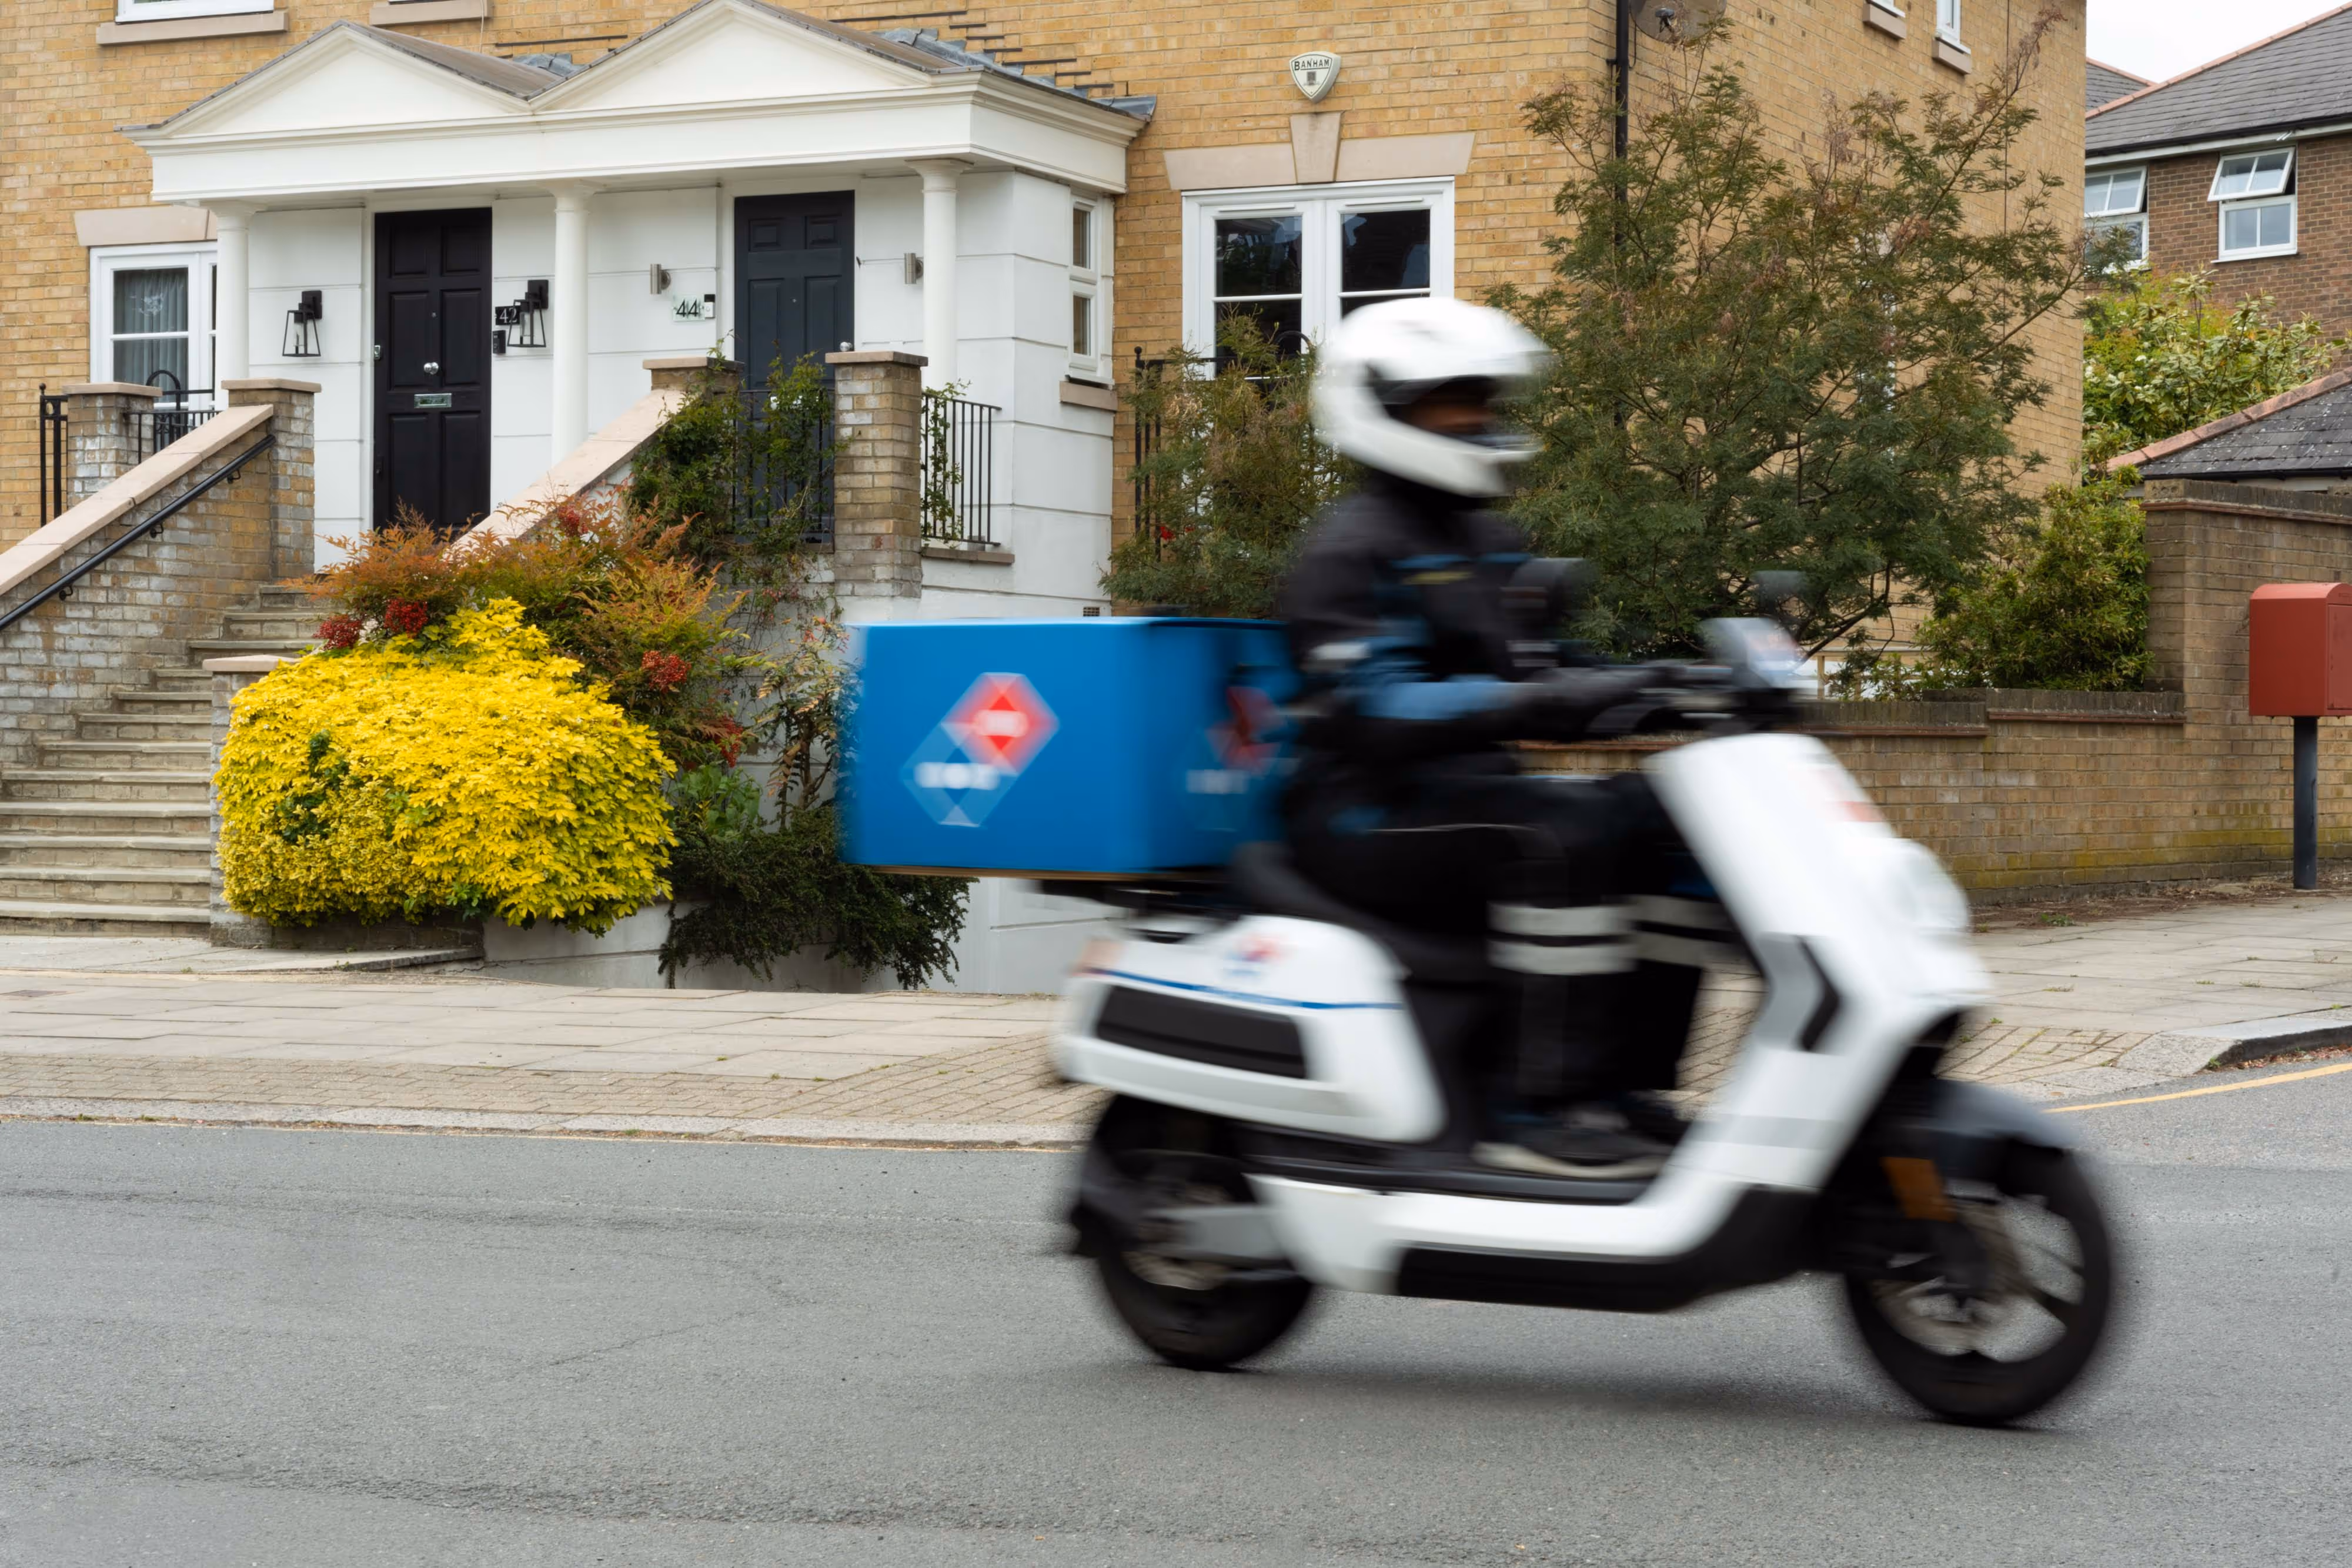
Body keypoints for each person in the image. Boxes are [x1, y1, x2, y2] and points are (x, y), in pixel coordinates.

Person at [1277, 297, 1720, 1179]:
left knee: (1677, 822)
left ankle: (1628, 1088)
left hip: (1460, 797)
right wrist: (1525, 705)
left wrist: (1677, 684)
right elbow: (1374, 710)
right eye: (1452, 402)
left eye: (1483, 399)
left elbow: (1545, 666)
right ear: (1385, 407)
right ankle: (1538, 1109)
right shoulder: (1349, 548)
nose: (1477, 419)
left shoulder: (1483, 537)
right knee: (1561, 837)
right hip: (1361, 813)